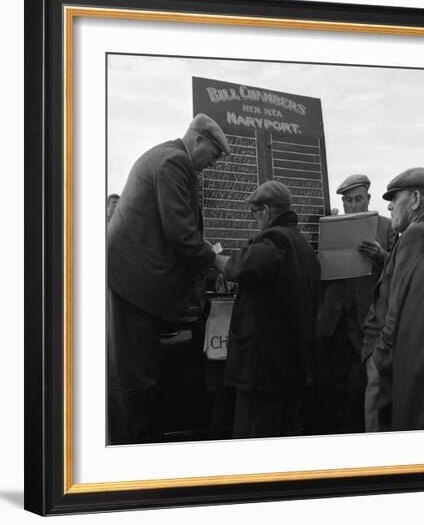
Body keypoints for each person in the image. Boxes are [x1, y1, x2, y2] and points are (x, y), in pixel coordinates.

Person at [107, 113, 230, 444]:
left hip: (133, 284)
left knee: (135, 375)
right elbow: (180, 232)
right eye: (214, 154)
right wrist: (218, 262)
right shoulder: (176, 162)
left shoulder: (165, 157)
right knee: (135, 380)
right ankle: (129, 455)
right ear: (197, 141)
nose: (215, 163)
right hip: (137, 287)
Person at [215, 181, 321, 439]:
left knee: (254, 439)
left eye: (254, 213)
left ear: (265, 210)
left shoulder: (277, 239)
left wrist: (211, 258)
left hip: (263, 372)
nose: (254, 220)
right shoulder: (305, 247)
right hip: (291, 369)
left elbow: (239, 267)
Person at [362, 167, 424, 432]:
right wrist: (385, 258)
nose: (389, 209)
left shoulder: (415, 234)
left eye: (395, 199)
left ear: (416, 199)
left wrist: (379, 357)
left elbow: (397, 307)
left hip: (390, 360)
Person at [312, 174, 396, 434]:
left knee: (361, 384)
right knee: (328, 383)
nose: (353, 205)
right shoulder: (332, 225)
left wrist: (382, 257)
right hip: (333, 321)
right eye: (348, 200)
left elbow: (400, 268)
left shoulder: (386, 227)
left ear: (368, 199)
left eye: (358, 199)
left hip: (365, 321)